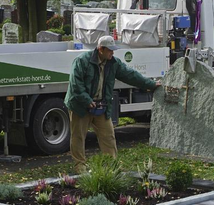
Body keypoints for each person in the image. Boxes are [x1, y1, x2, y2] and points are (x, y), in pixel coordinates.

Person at [64, 36, 161, 173]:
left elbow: (130, 75)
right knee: (78, 137)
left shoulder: (113, 63)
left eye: (113, 50)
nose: (112, 53)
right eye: (110, 50)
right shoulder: (81, 61)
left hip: (101, 106)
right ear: (100, 49)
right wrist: (87, 100)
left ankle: (112, 166)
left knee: (108, 135)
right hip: (80, 105)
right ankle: (80, 166)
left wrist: (151, 84)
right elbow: (76, 85)